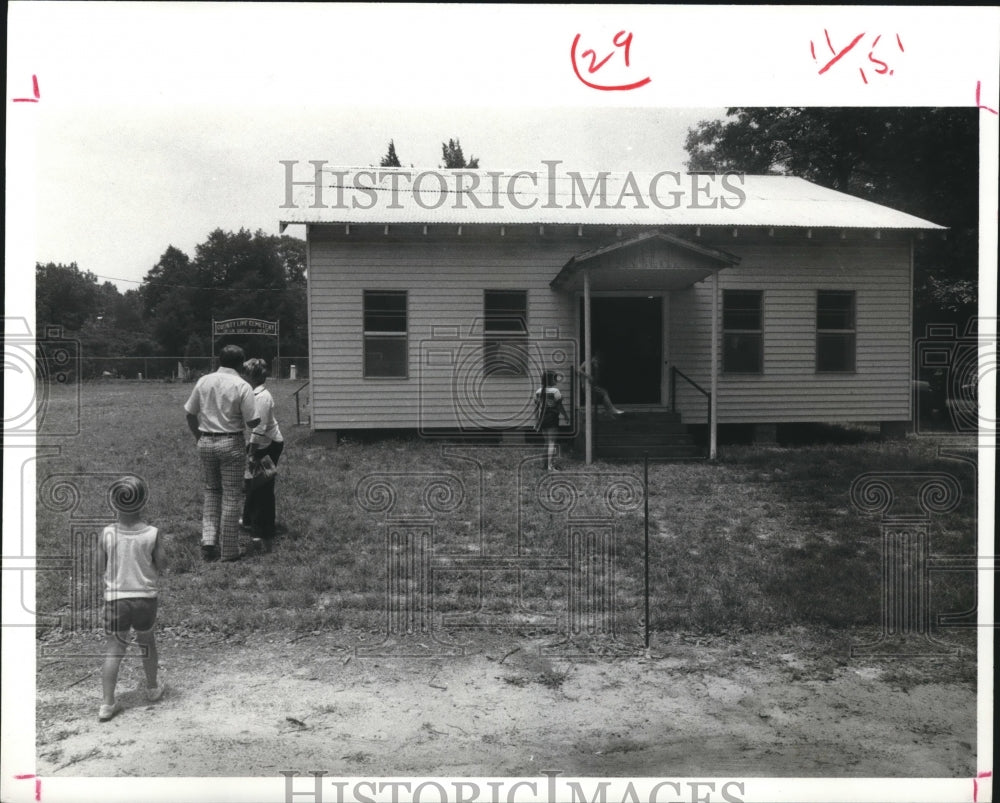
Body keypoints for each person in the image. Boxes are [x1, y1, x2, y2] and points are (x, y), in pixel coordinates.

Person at [96, 475, 166, 722]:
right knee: (147, 643)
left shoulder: (106, 533)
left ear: (114, 503)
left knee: (114, 649)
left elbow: (99, 567)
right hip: (145, 598)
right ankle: (152, 688)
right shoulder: (152, 533)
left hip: (116, 600)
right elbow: (162, 564)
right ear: (143, 502)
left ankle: (107, 704)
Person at [184, 345, 260, 562]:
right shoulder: (241, 385)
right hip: (231, 442)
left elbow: (189, 414)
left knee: (212, 490)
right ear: (241, 363)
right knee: (232, 495)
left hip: (206, 440)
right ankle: (228, 550)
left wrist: (199, 438)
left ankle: (208, 540)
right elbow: (252, 421)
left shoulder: (203, 381)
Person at [241, 358, 284, 554]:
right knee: (253, 483)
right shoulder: (253, 394)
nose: (242, 377)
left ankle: (263, 529)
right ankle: (249, 519)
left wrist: (252, 453)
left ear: (252, 376)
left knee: (261, 487)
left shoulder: (262, 397)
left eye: (245, 374)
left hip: (267, 445)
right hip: (260, 444)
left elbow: (259, 428)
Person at [534, 370, 569, 471]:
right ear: (550, 380)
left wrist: (536, 421)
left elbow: (536, 408)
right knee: (552, 442)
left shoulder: (538, 391)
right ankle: (550, 466)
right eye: (555, 378)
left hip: (542, 419)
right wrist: (566, 416)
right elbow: (559, 406)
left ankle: (544, 464)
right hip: (552, 418)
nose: (556, 380)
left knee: (546, 442)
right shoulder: (555, 391)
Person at [578, 351, 625, 417]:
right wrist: (588, 376)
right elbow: (579, 369)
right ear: (594, 357)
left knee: (602, 394)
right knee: (604, 393)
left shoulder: (594, 365)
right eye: (597, 359)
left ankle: (608, 411)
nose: (597, 361)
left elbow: (596, 379)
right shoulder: (588, 362)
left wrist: (596, 370)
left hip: (590, 385)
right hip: (586, 386)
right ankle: (611, 410)